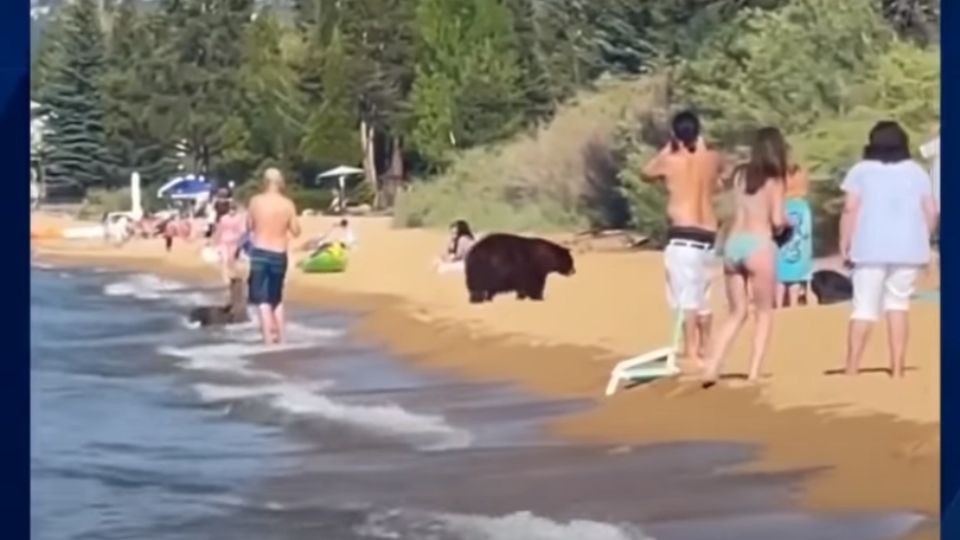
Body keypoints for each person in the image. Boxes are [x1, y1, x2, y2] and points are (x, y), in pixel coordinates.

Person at [839, 121, 938, 378]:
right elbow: (931, 211)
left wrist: (844, 241)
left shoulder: (861, 171)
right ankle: (897, 367)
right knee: (898, 304)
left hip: (868, 246)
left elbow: (850, 208)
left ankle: (852, 367)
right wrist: (923, 238)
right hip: (908, 249)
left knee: (863, 307)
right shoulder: (917, 172)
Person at [701, 127, 789, 386]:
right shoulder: (775, 179)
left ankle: (712, 366)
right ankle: (753, 372)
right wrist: (786, 224)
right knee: (763, 312)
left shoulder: (741, 175)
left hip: (734, 243)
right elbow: (776, 219)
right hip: (759, 243)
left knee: (736, 312)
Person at [642, 110, 724, 365]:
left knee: (687, 297)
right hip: (708, 235)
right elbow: (720, 180)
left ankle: (690, 350)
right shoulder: (712, 159)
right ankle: (706, 347)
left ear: (674, 135)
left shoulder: (671, 161)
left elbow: (646, 173)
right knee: (704, 293)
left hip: (683, 235)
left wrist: (669, 148)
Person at [247, 168, 301, 344]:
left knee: (262, 299)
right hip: (279, 252)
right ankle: (282, 339)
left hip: (260, 251)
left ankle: (268, 341)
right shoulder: (287, 204)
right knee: (276, 298)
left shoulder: (256, 202)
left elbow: (249, 226)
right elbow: (296, 231)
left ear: (264, 181)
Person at [775, 162, 814, 307]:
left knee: (779, 279)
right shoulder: (804, 206)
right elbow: (806, 233)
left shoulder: (780, 205)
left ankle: (778, 307)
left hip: (781, 248)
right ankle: (793, 307)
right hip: (800, 251)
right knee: (795, 281)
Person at [212, 201, 247, 285]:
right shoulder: (223, 218)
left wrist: (242, 241)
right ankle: (226, 277)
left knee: (232, 260)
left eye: (233, 209)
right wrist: (215, 241)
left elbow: (242, 231)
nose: (232, 211)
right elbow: (219, 230)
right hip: (224, 241)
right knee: (225, 259)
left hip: (235, 242)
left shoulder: (239, 218)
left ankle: (231, 275)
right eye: (231, 209)